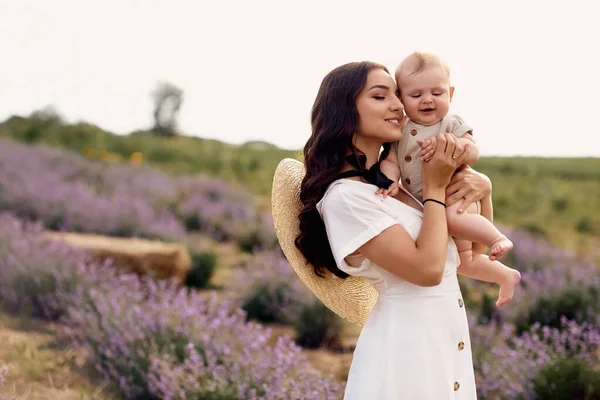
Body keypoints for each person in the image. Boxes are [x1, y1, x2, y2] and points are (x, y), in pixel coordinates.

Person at [290, 61, 490, 399]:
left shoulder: (394, 191)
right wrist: (436, 187)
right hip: (406, 353)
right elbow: (427, 271)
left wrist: (482, 189)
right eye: (381, 96)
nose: (399, 105)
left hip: (444, 343)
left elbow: (470, 256)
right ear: (345, 111)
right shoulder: (346, 199)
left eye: (397, 95)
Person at [379, 51, 520, 307]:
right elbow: (390, 161)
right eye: (416, 95)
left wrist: (453, 146)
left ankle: (496, 239)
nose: (427, 100)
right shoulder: (399, 131)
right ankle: (505, 276)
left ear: (450, 94)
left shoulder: (450, 124)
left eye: (437, 93)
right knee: (463, 262)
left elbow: (473, 151)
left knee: (452, 220)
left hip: (455, 197)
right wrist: (388, 180)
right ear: (400, 98)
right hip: (428, 204)